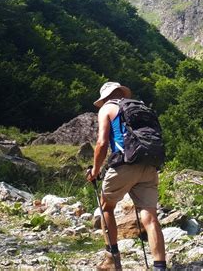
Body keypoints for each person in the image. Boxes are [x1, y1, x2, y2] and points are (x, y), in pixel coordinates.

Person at [86, 81, 167, 271]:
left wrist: (95, 171)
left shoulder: (107, 109)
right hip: (149, 165)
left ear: (105, 97)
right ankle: (160, 267)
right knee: (150, 216)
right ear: (121, 92)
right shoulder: (139, 107)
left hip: (124, 164)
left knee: (107, 207)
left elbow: (102, 143)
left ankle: (112, 260)